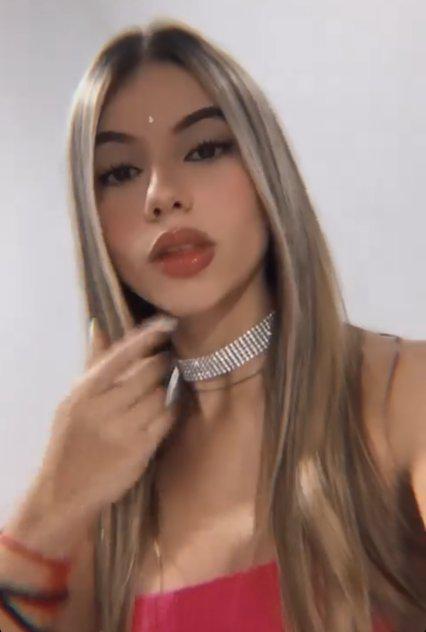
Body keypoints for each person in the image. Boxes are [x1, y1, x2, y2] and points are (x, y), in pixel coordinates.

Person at [0, 18, 425, 632]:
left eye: (203, 150)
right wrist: (50, 504)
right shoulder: (107, 501)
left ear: (265, 171)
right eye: (119, 172)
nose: (162, 194)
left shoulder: (402, 396)